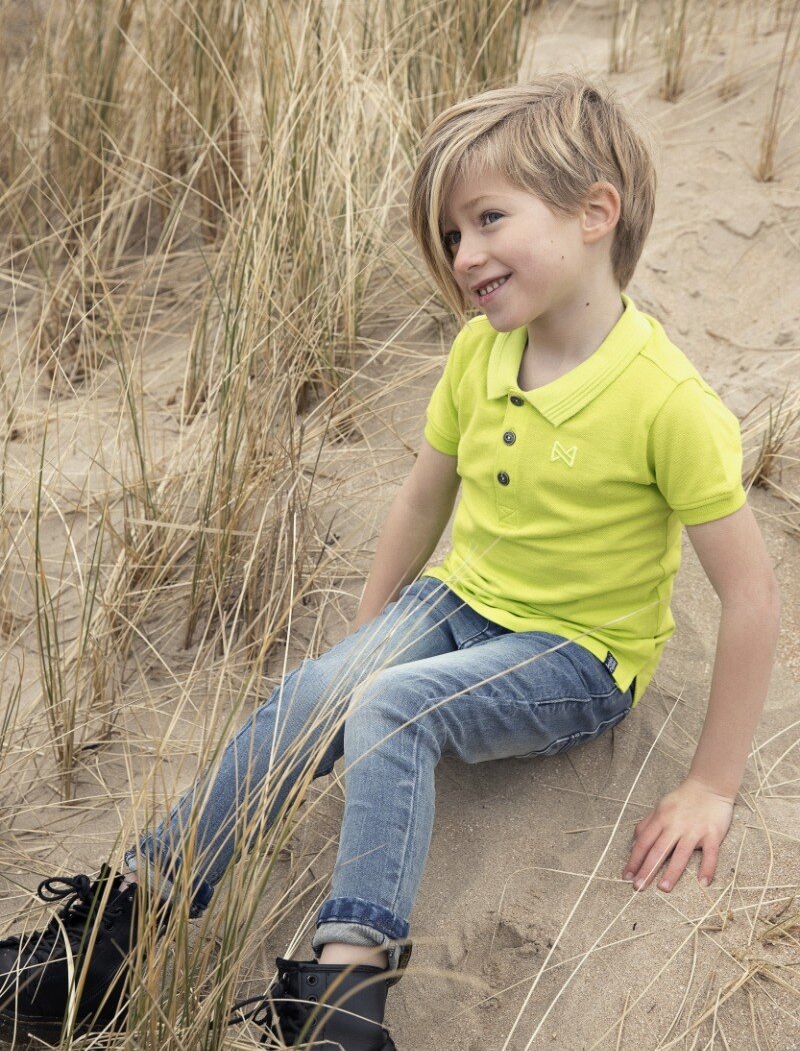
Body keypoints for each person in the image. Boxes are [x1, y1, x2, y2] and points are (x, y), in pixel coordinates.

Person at [0, 74, 781, 1049]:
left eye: (488, 217)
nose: (463, 254)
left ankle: (344, 996)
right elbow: (423, 495)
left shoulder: (665, 401)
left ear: (594, 212)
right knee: (316, 692)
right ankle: (120, 934)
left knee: (389, 709)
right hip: (457, 601)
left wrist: (708, 782)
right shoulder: (478, 355)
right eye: (451, 235)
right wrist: (370, 630)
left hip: (574, 656)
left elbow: (747, 596)